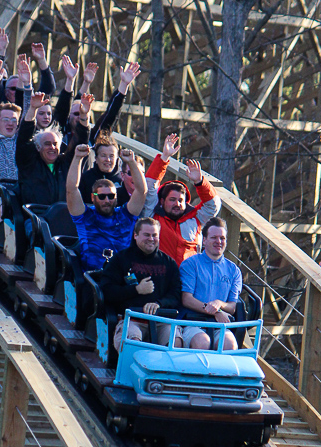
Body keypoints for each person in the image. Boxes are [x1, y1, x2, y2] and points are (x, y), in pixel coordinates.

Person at [101, 217, 182, 351]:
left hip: (161, 322)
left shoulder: (169, 264)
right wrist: (136, 290)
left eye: (154, 235)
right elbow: (106, 290)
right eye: (146, 235)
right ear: (136, 235)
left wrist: (159, 303)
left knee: (175, 342)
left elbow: (176, 295)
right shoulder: (121, 259)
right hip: (131, 319)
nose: (151, 239)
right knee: (132, 343)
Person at [143, 133, 221, 265]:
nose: (177, 204)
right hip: (160, 277)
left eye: (181, 200)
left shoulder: (195, 219)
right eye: (172, 199)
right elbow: (149, 187)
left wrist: (200, 182)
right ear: (162, 201)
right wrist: (164, 157)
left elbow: (213, 205)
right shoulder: (152, 216)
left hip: (188, 280)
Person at [66, 144, 147, 271]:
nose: (107, 200)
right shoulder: (85, 217)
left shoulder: (125, 215)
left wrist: (131, 162)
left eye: (111, 196)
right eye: (102, 196)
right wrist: (77, 158)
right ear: (93, 197)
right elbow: (71, 189)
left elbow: (141, 191)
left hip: (121, 277)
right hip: (93, 278)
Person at [16, 92, 91, 207]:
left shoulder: (65, 164)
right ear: (38, 147)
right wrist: (32, 109)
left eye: (55, 144)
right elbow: (24, 139)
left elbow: (80, 141)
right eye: (47, 144)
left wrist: (84, 116)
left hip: (62, 218)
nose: (52, 147)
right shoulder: (29, 164)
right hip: (36, 217)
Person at [179, 217, 242, 350]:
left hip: (219, 324)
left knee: (230, 345)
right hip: (193, 323)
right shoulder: (190, 264)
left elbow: (232, 307)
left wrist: (219, 304)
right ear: (205, 240)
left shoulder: (234, 270)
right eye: (214, 237)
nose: (218, 241)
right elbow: (186, 299)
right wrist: (215, 311)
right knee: (202, 343)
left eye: (222, 238)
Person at [54, 60, 141, 146]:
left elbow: (111, 115)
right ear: (69, 116)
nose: (80, 117)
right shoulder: (60, 134)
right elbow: (62, 110)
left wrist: (124, 84)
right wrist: (70, 80)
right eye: (77, 114)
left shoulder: (93, 137)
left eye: (84, 114)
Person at [78, 135, 122, 203]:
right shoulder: (86, 178)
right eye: (103, 156)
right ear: (96, 159)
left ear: (117, 159)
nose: (108, 159)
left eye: (111, 156)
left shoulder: (123, 179)